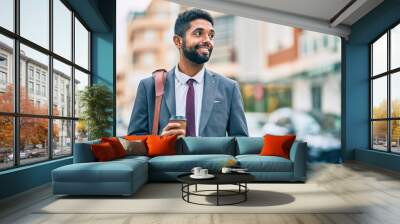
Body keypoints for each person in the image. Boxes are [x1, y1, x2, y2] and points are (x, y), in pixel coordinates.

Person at [128, 8, 248, 137]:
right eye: (198, 33)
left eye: (211, 35)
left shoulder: (229, 88)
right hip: (167, 157)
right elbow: (134, 140)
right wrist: (160, 141)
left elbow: (240, 141)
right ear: (178, 41)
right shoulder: (149, 87)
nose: (207, 40)